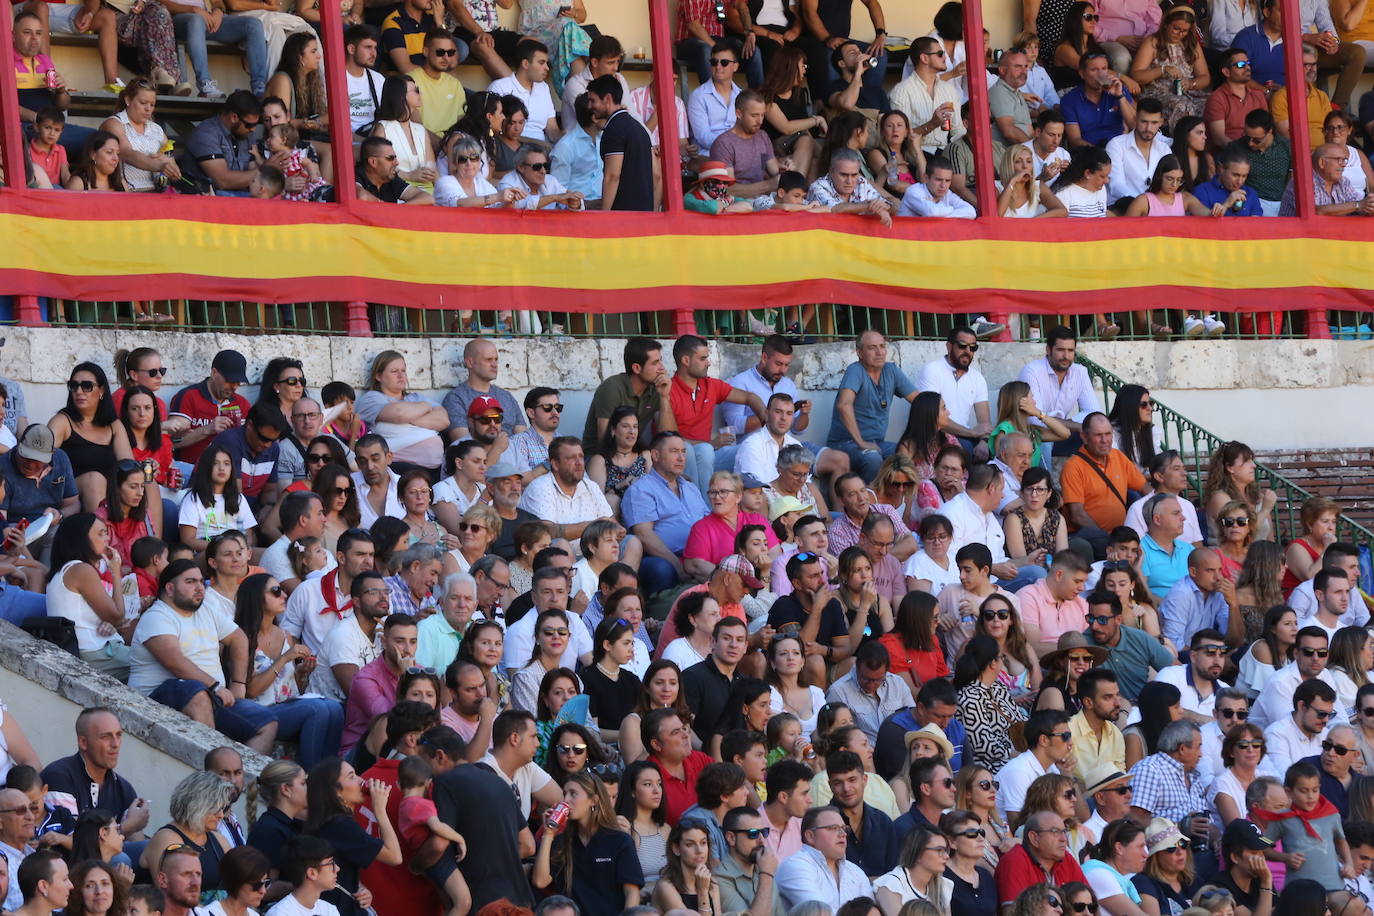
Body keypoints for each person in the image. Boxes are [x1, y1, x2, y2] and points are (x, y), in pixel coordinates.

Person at [129, 559, 278, 753]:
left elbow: (239, 638)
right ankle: (213, 770)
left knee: (267, 721)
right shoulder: (157, 616)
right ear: (170, 588)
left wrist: (238, 684)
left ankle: (245, 782)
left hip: (212, 696)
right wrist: (214, 686)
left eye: (201, 582)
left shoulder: (205, 610)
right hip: (157, 697)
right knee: (197, 692)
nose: (200, 588)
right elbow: (175, 662)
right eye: (190, 582)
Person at [533, 772, 643, 912]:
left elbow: (632, 892)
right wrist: (548, 835)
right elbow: (540, 881)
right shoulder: (562, 841)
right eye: (565, 793)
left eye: (573, 794)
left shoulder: (619, 840)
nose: (565, 800)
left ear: (594, 800)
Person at [1060, 413, 1148, 559]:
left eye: (1108, 434)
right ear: (1084, 437)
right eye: (1098, 435)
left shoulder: (1118, 456)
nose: (1105, 440)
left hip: (1120, 536)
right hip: (1090, 535)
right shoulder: (1073, 467)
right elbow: (1078, 516)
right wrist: (1108, 539)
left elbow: (1145, 488)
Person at [776, 806, 874, 910]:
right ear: (810, 836)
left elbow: (870, 912)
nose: (843, 834)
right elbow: (818, 912)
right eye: (833, 828)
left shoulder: (856, 872)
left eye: (844, 828)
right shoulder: (795, 866)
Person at [1251, 626, 1345, 730]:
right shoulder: (1279, 682)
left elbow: (1340, 719)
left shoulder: (1325, 674)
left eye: (1322, 652)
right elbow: (1289, 728)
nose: (1315, 658)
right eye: (1308, 652)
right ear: (1296, 653)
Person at [586, 74, 654, 211]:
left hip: (623, 217)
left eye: (593, 101)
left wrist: (604, 215)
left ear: (607, 99)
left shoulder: (614, 130)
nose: (589, 106)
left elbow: (612, 176)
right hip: (644, 214)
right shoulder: (639, 128)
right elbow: (656, 177)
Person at [994, 810, 1087, 907]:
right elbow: (1012, 912)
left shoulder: (1066, 858)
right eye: (1055, 832)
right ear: (1034, 838)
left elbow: (1091, 903)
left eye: (1064, 832)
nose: (1063, 839)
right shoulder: (1015, 861)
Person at [1105, 98, 1172, 208]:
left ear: (1161, 122)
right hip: (1122, 210)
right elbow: (1116, 186)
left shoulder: (1164, 149)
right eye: (1144, 121)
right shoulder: (1116, 145)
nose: (1148, 128)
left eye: (1154, 122)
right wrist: (1145, 205)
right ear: (1135, 119)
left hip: (1155, 210)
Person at [1061, 52, 1137, 148]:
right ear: (1082, 74)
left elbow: (1135, 125)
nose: (1101, 74)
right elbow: (1075, 140)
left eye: (1104, 69)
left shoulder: (1119, 90)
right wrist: (1100, 154)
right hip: (1090, 153)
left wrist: (1120, 96)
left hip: (1120, 148)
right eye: (1094, 70)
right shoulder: (1070, 100)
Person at [1281, 142, 1374, 216]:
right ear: (1322, 163)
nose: (1344, 164)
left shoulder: (1343, 182)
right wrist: (1358, 205)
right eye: (1339, 159)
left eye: (1344, 160)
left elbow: (1360, 207)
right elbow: (1314, 212)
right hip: (1296, 237)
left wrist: (1369, 207)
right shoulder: (1303, 182)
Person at [1081, 818, 1150, 916]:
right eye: (1140, 847)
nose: (1145, 854)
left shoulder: (1111, 875)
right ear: (1119, 848)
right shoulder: (1098, 874)